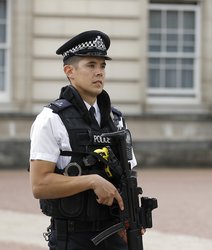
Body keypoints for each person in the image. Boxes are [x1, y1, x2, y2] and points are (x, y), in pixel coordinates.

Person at [29, 30, 137, 249]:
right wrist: (92, 181)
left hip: (115, 232)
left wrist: (132, 217)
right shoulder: (51, 119)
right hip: (73, 238)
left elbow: (129, 173)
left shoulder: (116, 119)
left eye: (102, 66)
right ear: (70, 71)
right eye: (91, 65)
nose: (99, 72)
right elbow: (39, 185)